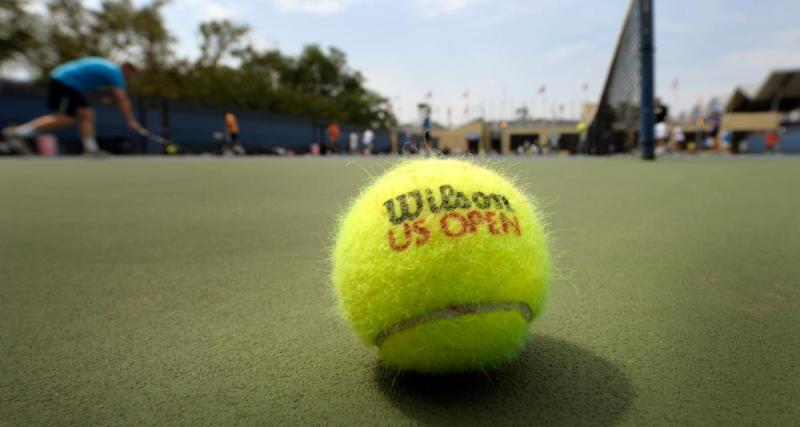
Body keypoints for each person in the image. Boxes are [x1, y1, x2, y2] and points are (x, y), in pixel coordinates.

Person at [2, 57, 143, 155]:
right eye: (131, 75)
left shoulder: (108, 68)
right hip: (64, 83)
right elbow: (122, 98)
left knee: (72, 118)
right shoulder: (115, 72)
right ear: (126, 69)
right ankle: (17, 133)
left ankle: (19, 133)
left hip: (64, 82)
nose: (129, 78)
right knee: (78, 115)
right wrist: (131, 121)